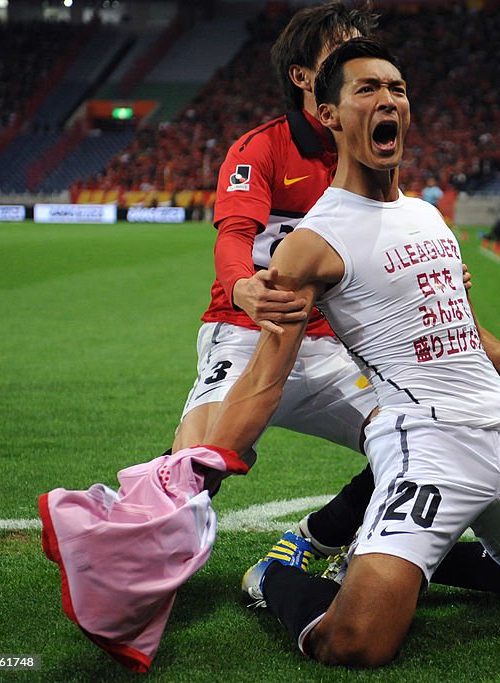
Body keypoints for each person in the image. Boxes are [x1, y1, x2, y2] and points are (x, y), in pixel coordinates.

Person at [207, 37, 500, 667]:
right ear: (329, 115)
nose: (388, 99)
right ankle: (273, 579)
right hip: (425, 445)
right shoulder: (313, 243)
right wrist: (199, 466)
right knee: (356, 644)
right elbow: (263, 379)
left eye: (396, 88)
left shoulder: (426, 215)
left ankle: (422, 556)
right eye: (366, 89)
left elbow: (462, 331)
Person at [173, 2, 378, 457]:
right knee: (199, 457)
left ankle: (322, 531)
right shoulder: (261, 149)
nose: (356, 63)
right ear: (303, 76)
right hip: (248, 328)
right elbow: (233, 236)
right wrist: (243, 287)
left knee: (421, 435)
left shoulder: (374, 153)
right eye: (341, 52)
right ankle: (136, 521)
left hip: (333, 343)